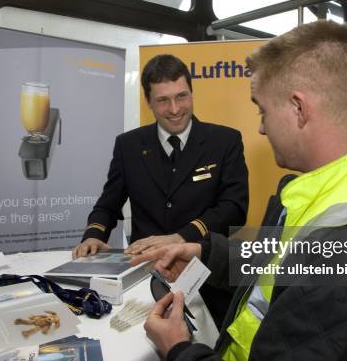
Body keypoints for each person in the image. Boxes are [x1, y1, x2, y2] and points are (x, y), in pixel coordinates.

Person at [131, 20, 347, 361]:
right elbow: (280, 258)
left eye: (262, 110)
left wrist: (179, 351)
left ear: (298, 108)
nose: (261, 127)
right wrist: (205, 253)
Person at [73, 54, 249, 326]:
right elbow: (108, 205)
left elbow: (234, 208)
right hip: (145, 278)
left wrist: (181, 237)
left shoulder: (224, 141)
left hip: (206, 276)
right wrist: (93, 234)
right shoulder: (128, 145)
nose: (175, 109)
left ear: (191, 93)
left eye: (182, 97)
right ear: (148, 102)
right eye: (163, 100)